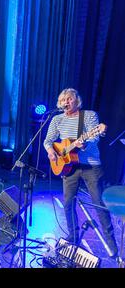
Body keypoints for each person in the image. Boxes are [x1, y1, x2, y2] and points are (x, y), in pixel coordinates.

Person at [44, 88, 118, 257]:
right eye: (63, 100)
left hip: (91, 166)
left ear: (77, 101)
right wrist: (51, 152)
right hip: (69, 167)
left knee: (99, 203)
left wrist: (83, 144)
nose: (66, 102)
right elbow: (48, 141)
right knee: (68, 203)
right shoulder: (57, 119)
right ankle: (73, 235)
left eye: (69, 99)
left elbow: (94, 137)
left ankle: (111, 243)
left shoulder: (89, 116)